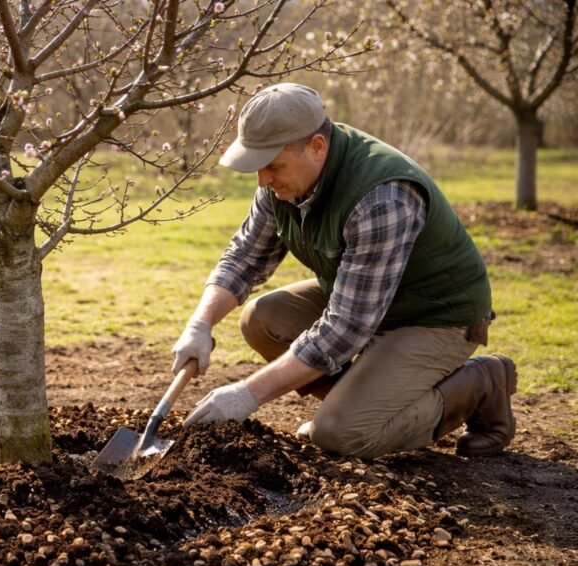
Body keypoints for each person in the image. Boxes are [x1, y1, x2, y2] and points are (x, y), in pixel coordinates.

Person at [174, 83, 516, 460]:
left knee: (342, 435)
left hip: (433, 315)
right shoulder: (284, 184)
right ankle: (358, 397)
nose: (262, 180)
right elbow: (245, 257)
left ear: (317, 146)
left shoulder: (383, 196)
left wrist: (247, 395)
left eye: (273, 165)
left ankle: (481, 382)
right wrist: (200, 325)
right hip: (366, 300)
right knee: (262, 319)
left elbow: (345, 328)